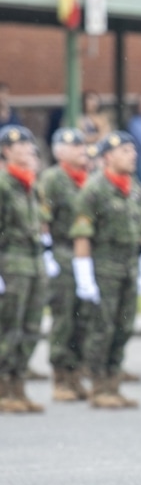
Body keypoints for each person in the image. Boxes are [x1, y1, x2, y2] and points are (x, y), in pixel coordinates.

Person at [69, 131, 141, 408]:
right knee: (102, 328)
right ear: (107, 157)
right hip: (104, 269)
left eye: (132, 150)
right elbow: (82, 235)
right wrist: (84, 277)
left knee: (123, 328)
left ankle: (113, 383)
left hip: (128, 267)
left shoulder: (134, 187)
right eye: (125, 151)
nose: (132, 155)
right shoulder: (94, 189)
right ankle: (99, 386)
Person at [36, 128, 90, 402]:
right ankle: (60, 376)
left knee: (83, 317)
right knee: (65, 316)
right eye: (73, 145)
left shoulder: (86, 179)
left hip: (82, 255)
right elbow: (44, 218)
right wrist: (46, 252)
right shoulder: (53, 179)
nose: (81, 149)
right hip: (61, 252)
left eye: (82, 144)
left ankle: (75, 373)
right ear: (58, 151)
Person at [0, 124, 47, 413]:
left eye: (29, 146)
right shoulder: (4, 184)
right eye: (19, 147)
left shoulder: (30, 184)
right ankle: (4, 386)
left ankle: (18, 384)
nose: (26, 151)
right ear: (6, 152)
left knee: (31, 326)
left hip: (33, 261)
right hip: (12, 262)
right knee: (9, 327)